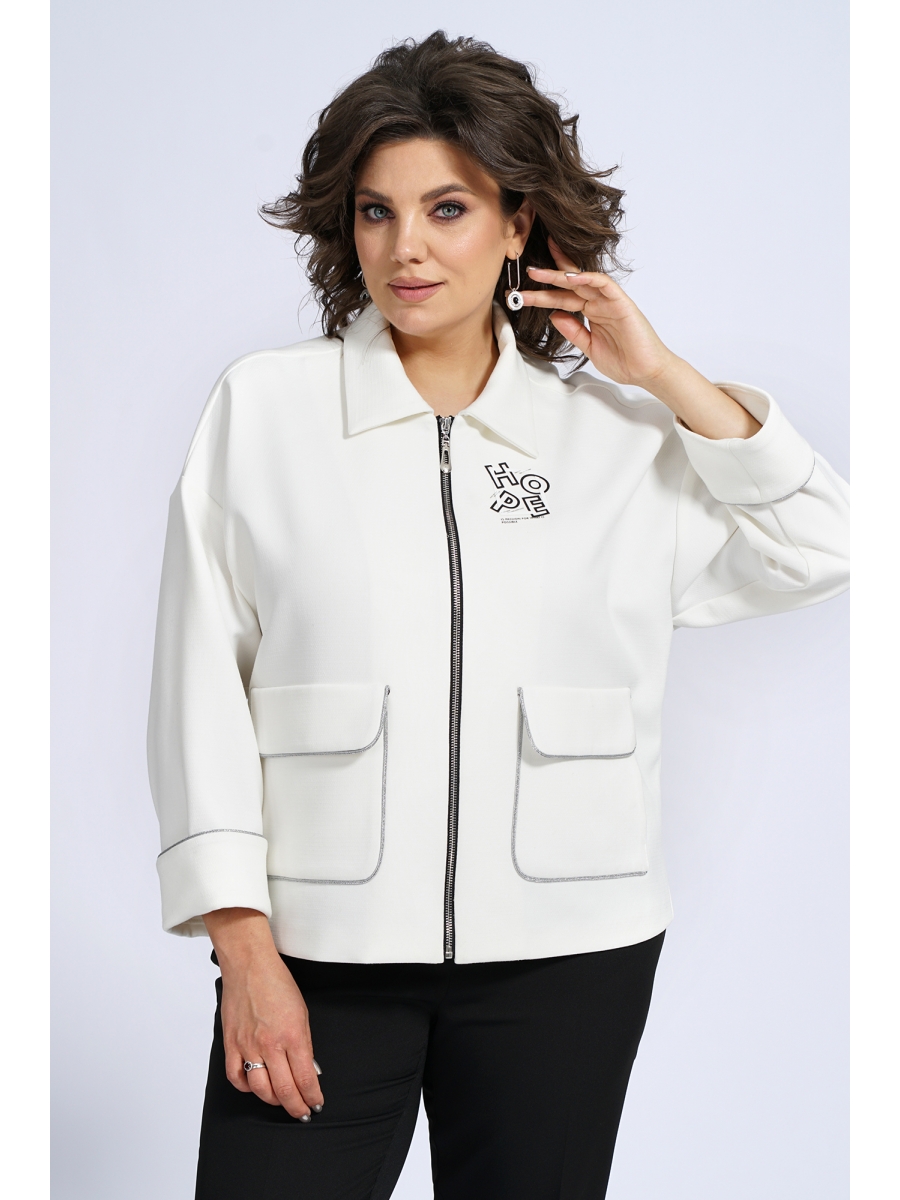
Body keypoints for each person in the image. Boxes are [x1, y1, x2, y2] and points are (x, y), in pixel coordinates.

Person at [147, 30, 850, 1200]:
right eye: (376, 213)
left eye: (448, 209)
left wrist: (663, 375)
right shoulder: (265, 412)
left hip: (569, 959)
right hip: (320, 954)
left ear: (519, 224)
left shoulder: (617, 443)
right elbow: (197, 689)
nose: (407, 248)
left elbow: (825, 544)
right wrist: (244, 948)